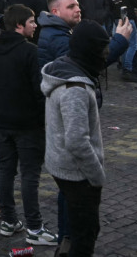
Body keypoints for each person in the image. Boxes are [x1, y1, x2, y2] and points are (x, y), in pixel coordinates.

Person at [0, 6, 57, 247]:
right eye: (31, 21)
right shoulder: (30, 52)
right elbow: (39, 90)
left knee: (6, 170)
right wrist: (43, 118)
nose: (35, 25)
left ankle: (8, 221)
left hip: (1, 120)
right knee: (30, 175)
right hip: (27, 124)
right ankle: (35, 228)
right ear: (19, 25)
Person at [41, 22, 111, 257]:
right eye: (102, 50)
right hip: (78, 174)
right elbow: (77, 141)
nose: (105, 56)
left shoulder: (65, 71)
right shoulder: (75, 88)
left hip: (64, 167)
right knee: (85, 234)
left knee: (75, 229)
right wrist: (96, 176)